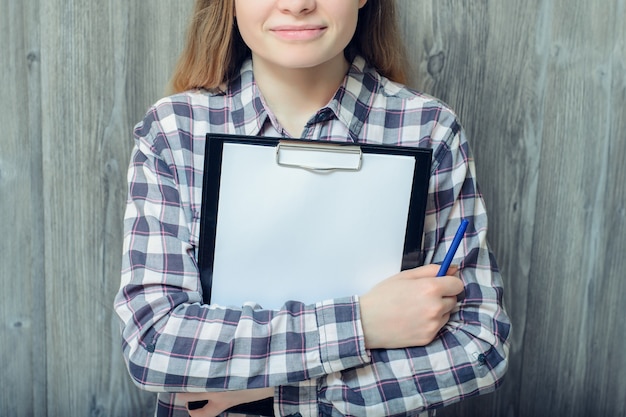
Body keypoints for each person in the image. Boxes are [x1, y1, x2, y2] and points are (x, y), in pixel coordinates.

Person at [114, 0, 511, 416]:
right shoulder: (175, 131)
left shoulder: (428, 130)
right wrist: (363, 323)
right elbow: (154, 342)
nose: (297, 4)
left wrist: (273, 391)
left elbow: (479, 345)